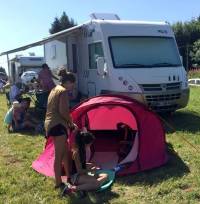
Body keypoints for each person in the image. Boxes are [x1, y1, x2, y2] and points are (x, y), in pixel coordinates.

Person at [44, 72, 76, 194]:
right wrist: (71, 122)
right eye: (73, 84)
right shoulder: (63, 91)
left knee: (64, 152)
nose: (73, 86)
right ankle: (58, 183)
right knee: (59, 155)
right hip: (57, 124)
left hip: (50, 123)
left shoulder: (54, 89)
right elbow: (63, 111)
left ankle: (69, 177)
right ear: (67, 82)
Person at [66, 128, 108, 196]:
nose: (91, 145)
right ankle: (74, 188)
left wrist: (91, 165)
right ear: (86, 143)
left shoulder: (82, 150)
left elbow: (82, 164)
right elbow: (79, 171)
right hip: (75, 177)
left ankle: (87, 185)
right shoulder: (77, 153)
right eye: (90, 143)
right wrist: (91, 169)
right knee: (97, 184)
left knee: (105, 176)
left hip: (81, 175)